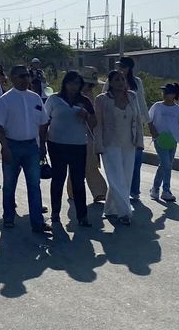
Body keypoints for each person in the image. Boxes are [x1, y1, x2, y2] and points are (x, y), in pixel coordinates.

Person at [0, 65, 52, 233]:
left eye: (27, 76)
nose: (26, 79)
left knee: (34, 184)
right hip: (12, 145)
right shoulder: (5, 99)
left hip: (31, 147)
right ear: (12, 78)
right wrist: (5, 147)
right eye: (21, 76)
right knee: (9, 184)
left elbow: (43, 123)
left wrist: (42, 146)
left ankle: (37, 222)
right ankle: (8, 218)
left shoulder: (35, 98)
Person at [44, 71, 96, 227]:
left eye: (77, 83)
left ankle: (82, 216)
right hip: (56, 144)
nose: (74, 86)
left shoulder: (84, 101)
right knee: (58, 179)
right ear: (65, 83)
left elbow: (94, 122)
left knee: (78, 181)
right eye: (71, 83)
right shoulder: (54, 99)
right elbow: (44, 120)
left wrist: (87, 115)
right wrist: (41, 143)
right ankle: (55, 213)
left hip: (78, 145)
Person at [94, 70, 144, 225]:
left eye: (122, 79)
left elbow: (138, 119)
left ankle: (110, 209)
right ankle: (124, 212)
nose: (121, 82)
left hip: (129, 143)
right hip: (110, 144)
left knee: (126, 179)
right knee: (116, 179)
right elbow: (98, 125)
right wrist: (98, 146)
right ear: (110, 82)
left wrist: (140, 141)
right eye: (117, 80)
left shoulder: (132, 96)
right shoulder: (102, 99)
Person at [109, 56, 151, 200]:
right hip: (116, 126)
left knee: (136, 159)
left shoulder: (136, 82)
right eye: (119, 66)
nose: (120, 69)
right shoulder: (111, 81)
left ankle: (134, 190)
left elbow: (142, 103)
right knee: (119, 161)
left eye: (123, 66)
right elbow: (105, 100)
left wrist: (149, 123)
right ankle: (120, 190)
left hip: (134, 125)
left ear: (129, 68)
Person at [67, 67, 107, 202]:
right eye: (87, 84)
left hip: (89, 134)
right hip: (72, 135)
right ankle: (73, 191)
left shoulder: (91, 97)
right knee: (75, 165)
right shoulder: (70, 97)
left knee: (91, 163)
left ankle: (99, 191)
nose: (89, 87)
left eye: (91, 85)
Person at [148, 83, 179, 202]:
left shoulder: (178, 110)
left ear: (174, 95)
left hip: (172, 141)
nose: (165, 94)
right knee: (166, 164)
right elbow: (149, 120)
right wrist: (154, 133)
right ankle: (164, 190)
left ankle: (157, 189)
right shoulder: (157, 106)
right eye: (164, 92)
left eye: (168, 92)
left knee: (166, 165)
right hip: (160, 140)